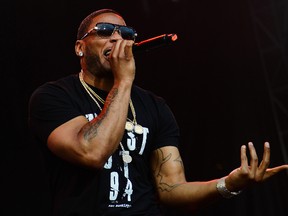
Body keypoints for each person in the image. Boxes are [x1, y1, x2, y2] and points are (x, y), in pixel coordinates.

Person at [28, 8, 288, 216]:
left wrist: (228, 185)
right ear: (80, 47)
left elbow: (171, 189)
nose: (118, 38)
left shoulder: (154, 107)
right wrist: (124, 81)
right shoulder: (53, 97)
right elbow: (92, 151)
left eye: (126, 33)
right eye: (105, 31)